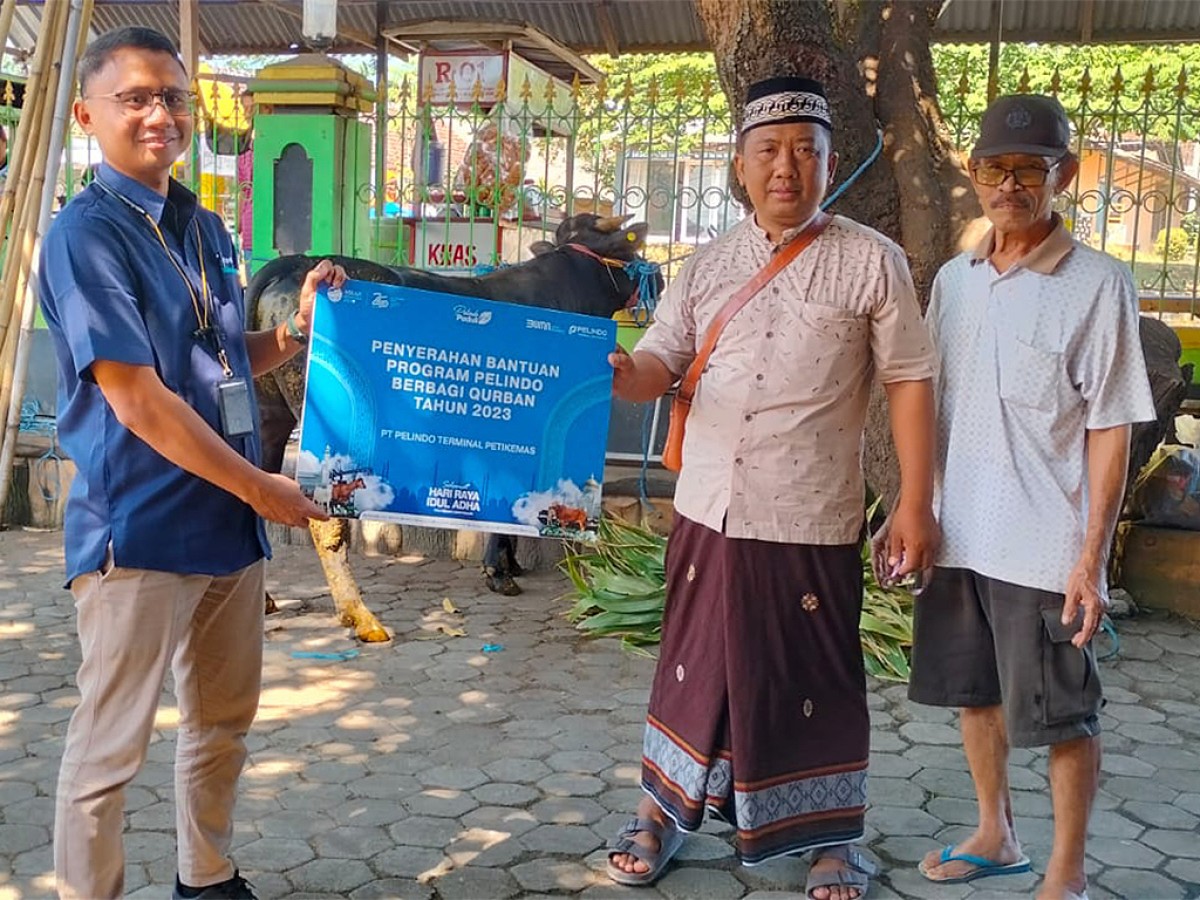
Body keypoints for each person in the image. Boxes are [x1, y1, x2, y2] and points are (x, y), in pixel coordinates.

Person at [604, 75, 939, 900]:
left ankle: (830, 842)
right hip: (708, 509)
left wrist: (914, 501)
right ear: (740, 166)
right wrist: (622, 371)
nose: (786, 167)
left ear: (829, 164)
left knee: (814, 680)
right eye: (769, 151)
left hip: (810, 512)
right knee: (690, 667)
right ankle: (661, 811)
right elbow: (659, 363)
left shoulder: (873, 261)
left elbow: (910, 381)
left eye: (806, 151)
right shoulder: (708, 266)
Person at [38, 27, 344, 900]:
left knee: (221, 723)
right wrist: (264, 487)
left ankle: (205, 879)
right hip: (139, 526)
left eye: (173, 96)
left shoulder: (203, 226)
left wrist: (294, 337)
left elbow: (212, 354)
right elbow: (137, 396)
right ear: (87, 113)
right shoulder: (83, 235)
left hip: (227, 526)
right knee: (111, 748)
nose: (159, 114)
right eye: (135, 97)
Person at [887, 94, 1155, 900]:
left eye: (1029, 170)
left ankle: (1066, 874)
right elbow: (929, 402)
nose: (1011, 185)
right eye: (996, 169)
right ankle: (995, 833)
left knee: (1064, 717)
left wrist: (1091, 558)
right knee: (975, 694)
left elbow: (1110, 424)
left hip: (1044, 545)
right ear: (973, 175)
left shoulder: (1099, 284)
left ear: (1061, 176)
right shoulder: (955, 281)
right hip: (961, 533)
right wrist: (910, 507)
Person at [199, 85, 256, 256]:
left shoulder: (274, 145)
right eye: (245, 108)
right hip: (249, 229)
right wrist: (238, 221)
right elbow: (242, 188)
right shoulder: (243, 149)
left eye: (252, 108)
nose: (248, 113)